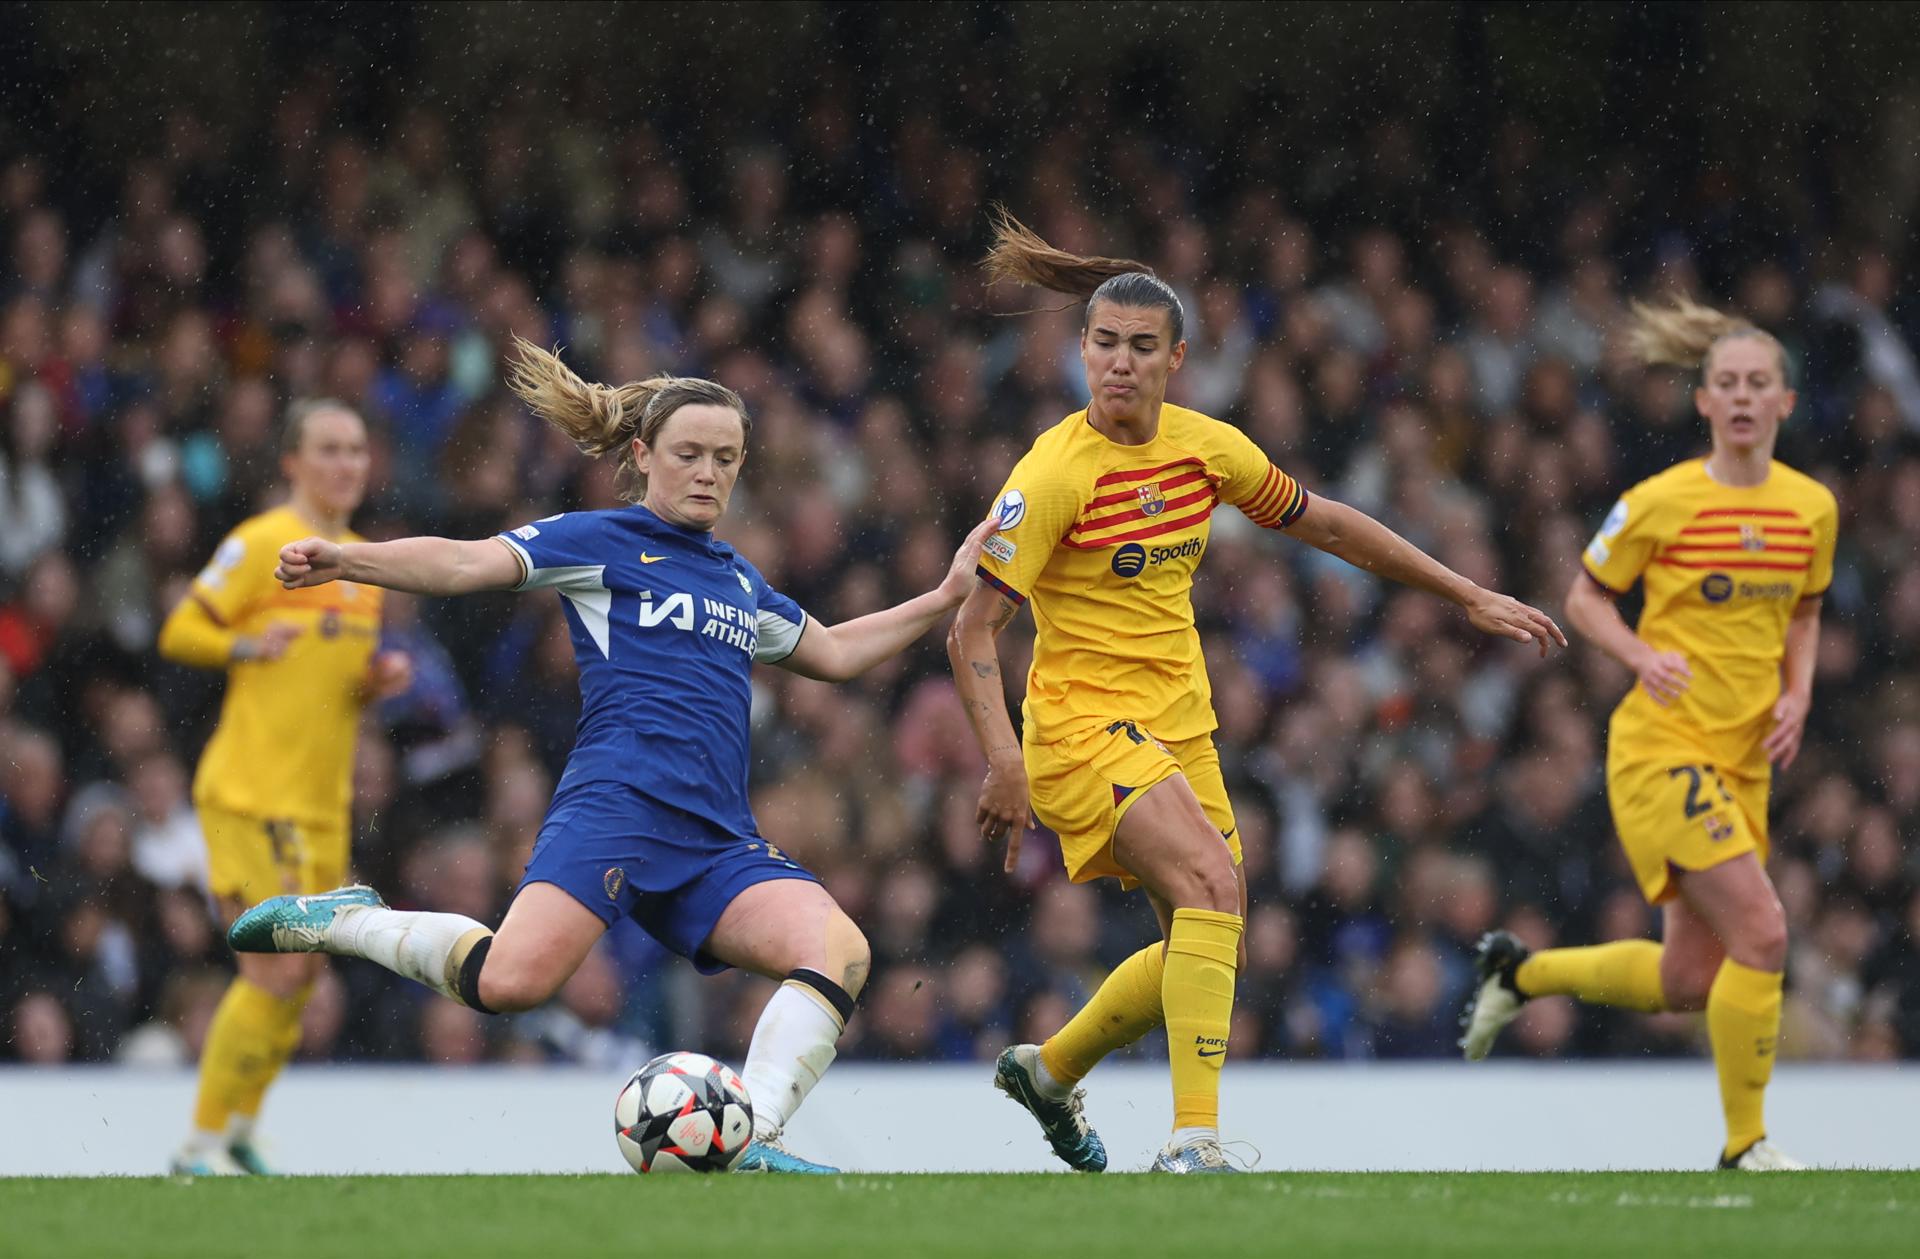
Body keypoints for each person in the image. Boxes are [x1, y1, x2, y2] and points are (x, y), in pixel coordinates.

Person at [230, 339, 998, 1173]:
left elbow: (838, 652)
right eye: (690, 454)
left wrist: (947, 592)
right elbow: (464, 560)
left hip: (714, 837)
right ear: (642, 456)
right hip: (617, 808)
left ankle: (756, 1137)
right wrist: (351, 559)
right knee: (508, 983)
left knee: (840, 949)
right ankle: (350, 920)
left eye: (727, 458)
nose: (709, 472)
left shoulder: (739, 579)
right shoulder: (599, 539)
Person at [948, 213, 1565, 1173]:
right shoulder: (1053, 472)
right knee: (1210, 885)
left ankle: (1050, 1068)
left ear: (1178, 358)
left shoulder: (1207, 450)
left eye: (1140, 348)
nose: (1118, 363)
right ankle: (1193, 1142)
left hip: (1180, 730)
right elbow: (972, 627)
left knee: (1209, 931)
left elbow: (1328, 526)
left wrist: (1468, 592)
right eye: (1103, 344)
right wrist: (1002, 759)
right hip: (1076, 729)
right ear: (1079, 350)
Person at [1460, 297, 1837, 1172]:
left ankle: (1519, 974)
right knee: (1766, 933)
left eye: (1759, 384)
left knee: (1689, 983)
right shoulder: (1658, 502)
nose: (1742, 398)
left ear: (1784, 403)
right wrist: (1640, 653)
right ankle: (1747, 1144)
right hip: (1661, 750)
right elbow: (1586, 597)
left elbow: (1807, 612)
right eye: (1726, 384)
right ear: (1703, 402)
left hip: (1745, 760)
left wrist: (1800, 694)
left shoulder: (1812, 509)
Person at [156, 400, 413, 1175]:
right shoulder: (262, 540)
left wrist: (370, 686)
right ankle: (197, 1144)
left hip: (318, 805)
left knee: (302, 977)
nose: (347, 464)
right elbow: (180, 630)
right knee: (271, 967)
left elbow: (326, 683)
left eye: (357, 450)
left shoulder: (365, 566)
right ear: (292, 463)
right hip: (249, 791)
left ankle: (238, 1129)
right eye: (329, 449)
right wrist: (246, 642)